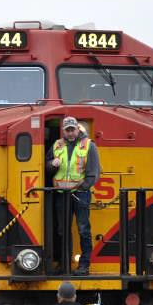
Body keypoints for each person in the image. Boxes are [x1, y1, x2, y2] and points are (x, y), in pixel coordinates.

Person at [47, 116, 100, 275]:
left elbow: (94, 173)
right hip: (62, 194)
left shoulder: (89, 146)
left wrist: (82, 187)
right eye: (67, 130)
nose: (70, 133)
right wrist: (52, 164)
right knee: (63, 230)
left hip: (80, 194)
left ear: (78, 129)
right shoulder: (56, 145)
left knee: (83, 229)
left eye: (72, 129)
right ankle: (65, 264)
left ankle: (84, 265)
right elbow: (47, 166)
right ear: (63, 130)